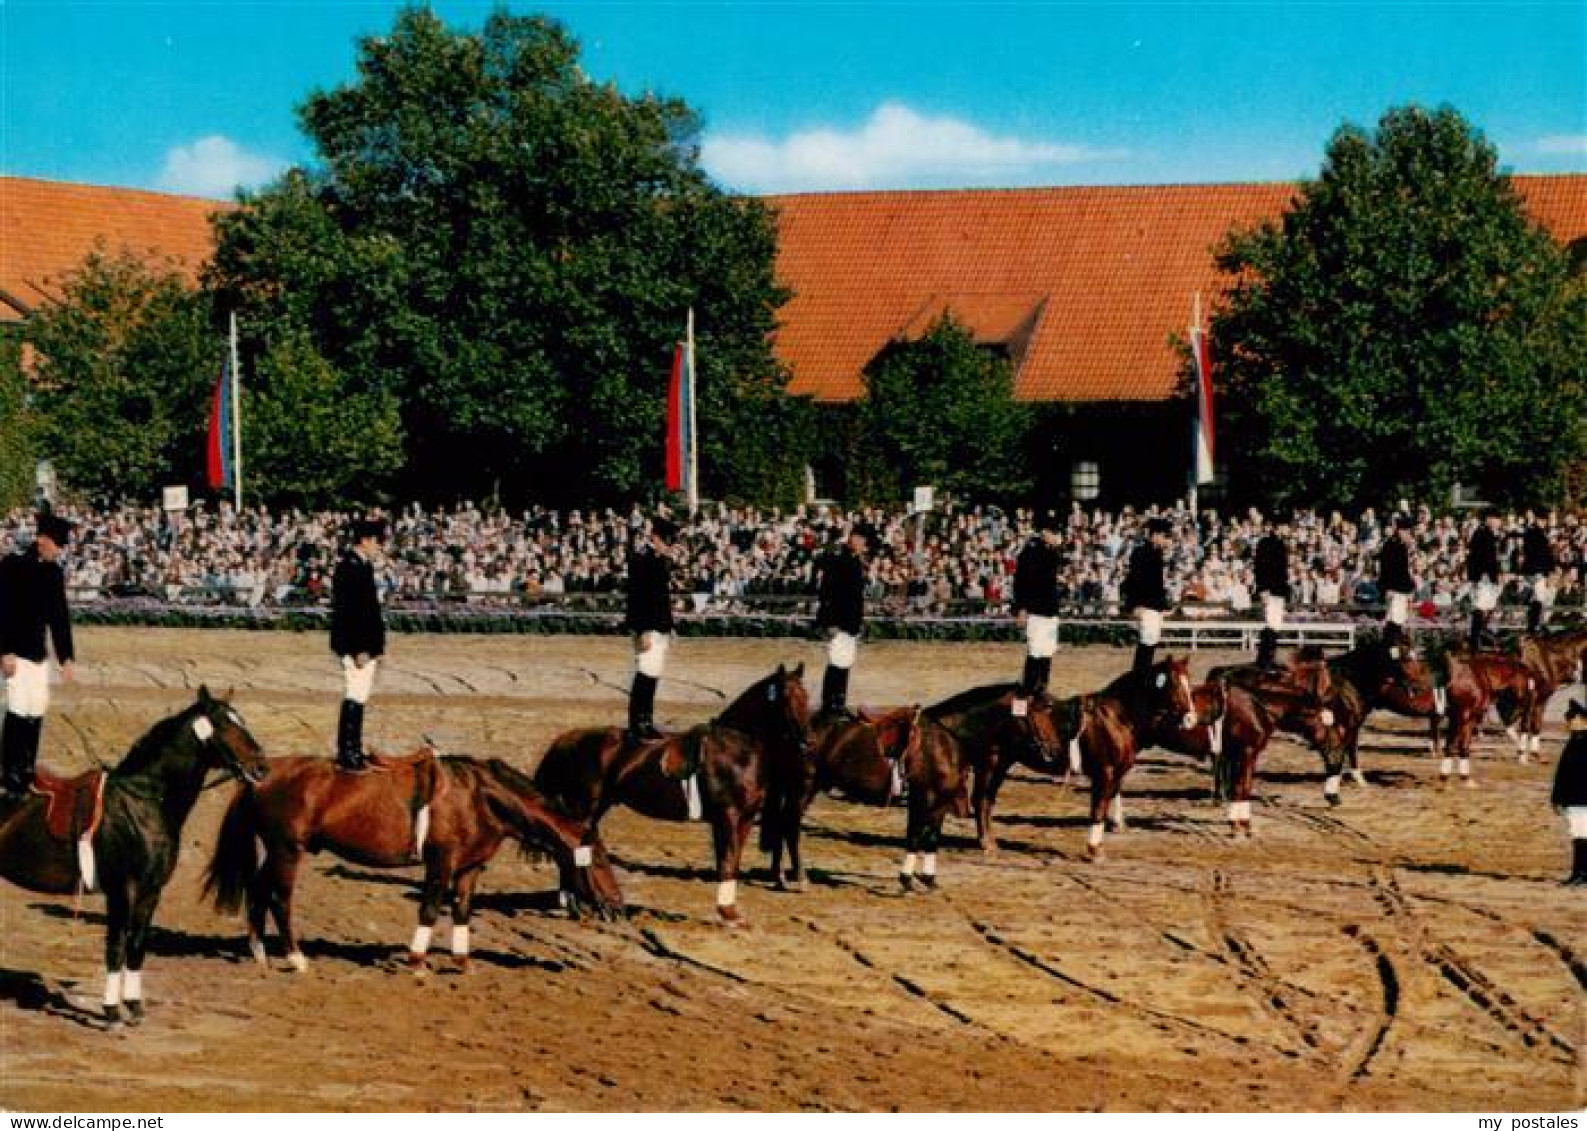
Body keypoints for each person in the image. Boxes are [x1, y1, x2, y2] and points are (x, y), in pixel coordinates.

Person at [0, 512, 75, 802]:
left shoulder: (54, 573)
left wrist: (65, 656)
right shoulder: (12, 566)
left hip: (37, 653)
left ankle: (27, 771)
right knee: (18, 709)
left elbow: (59, 618)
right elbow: (2, 611)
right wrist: (4, 651)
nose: (59, 550)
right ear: (42, 539)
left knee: (36, 709)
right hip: (14, 653)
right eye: (57, 544)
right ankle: (9, 776)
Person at [330, 518, 387, 772]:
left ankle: (353, 748)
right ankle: (348, 751)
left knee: (360, 694)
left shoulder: (360, 566)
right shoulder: (350, 568)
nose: (379, 547)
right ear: (365, 541)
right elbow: (350, 613)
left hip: (364, 645)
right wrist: (359, 648)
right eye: (377, 542)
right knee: (355, 693)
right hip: (356, 646)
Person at [625, 513, 677, 742]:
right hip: (647, 628)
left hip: (658, 627)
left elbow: (661, 599)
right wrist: (642, 629)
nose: (670, 547)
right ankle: (637, 722)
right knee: (645, 674)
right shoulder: (643, 561)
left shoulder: (658, 562)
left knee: (653, 673)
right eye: (667, 542)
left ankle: (646, 718)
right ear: (656, 539)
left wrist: (669, 626)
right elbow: (638, 598)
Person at [815, 524, 870, 719]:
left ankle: (838, 702)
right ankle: (830, 705)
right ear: (853, 539)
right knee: (837, 662)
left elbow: (854, 597)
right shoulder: (840, 559)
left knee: (844, 662)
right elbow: (828, 592)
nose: (864, 544)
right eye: (861, 540)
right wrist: (829, 621)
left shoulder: (853, 561)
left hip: (849, 623)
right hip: (838, 622)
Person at [1013, 512, 1063, 697]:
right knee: (1035, 651)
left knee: (1047, 651)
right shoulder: (1032, 550)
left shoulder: (1051, 551)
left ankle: (1042, 689)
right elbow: (1022, 581)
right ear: (1044, 532)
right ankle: (1026, 692)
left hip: (1049, 610)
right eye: (1054, 532)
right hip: (1035, 610)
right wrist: (1021, 608)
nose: (1057, 536)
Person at [1122, 516, 1172, 675]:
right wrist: (1134, 605)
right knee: (1147, 644)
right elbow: (1133, 581)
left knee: (1151, 643)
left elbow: (1158, 585)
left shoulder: (1156, 554)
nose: (1167, 540)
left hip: (1153, 607)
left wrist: (1163, 607)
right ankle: (1138, 677)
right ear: (1155, 535)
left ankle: (1141, 676)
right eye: (1165, 536)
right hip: (1145, 606)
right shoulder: (1141, 553)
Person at [1551, 700, 1587, 885]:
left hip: (1582, 798)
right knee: (1578, 834)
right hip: (1574, 798)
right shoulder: (1574, 741)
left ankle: (1581, 873)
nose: (1569, 723)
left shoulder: (1580, 742)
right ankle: (1579, 873)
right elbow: (1563, 773)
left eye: (1572, 719)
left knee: (1582, 834)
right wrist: (1556, 797)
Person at [1252, 518, 1289, 668]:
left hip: (1278, 591)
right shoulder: (1266, 543)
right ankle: (1265, 658)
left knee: (1276, 624)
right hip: (1270, 590)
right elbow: (1260, 567)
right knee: (1271, 624)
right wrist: (1263, 589)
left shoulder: (1281, 544)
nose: (1288, 530)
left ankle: (1269, 656)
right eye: (1286, 527)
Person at [1465, 509, 1504, 650]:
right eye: (1496, 519)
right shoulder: (1482, 533)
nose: (1498, 522)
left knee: (1487, 608)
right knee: (1480, 608)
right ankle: (1475, 641)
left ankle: (1479, 638)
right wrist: (1481, 574)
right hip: (1483, 577)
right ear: (1489, 519)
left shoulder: (1489, 534)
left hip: (1487, 577)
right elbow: (1479, 557)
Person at [1379, 514, 1417, 653]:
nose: (1409, 536)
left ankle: (1391, 654)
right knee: (1394, 626)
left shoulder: (1399, 546)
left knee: (1396, 625)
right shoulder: (1393, 547)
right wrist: (1409, 587)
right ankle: (1390, 655)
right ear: (1401, 531)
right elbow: (1390, 571)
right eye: (1408, 532)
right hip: (1396, 591)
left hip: (1400, 590)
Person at [1522, 516, 1557, 634]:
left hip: (1539, 571)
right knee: (1539, 597)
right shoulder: (1533, 532)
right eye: (1543, 520)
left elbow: (1547, 554)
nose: (1544, 522)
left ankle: (1536, 624)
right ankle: (1533, 626)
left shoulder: (1540, 533)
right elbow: (1538, 554)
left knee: (1540, 598)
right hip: (1535, 571)